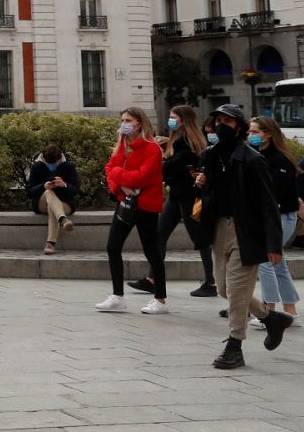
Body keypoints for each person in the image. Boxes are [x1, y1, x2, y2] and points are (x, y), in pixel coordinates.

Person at [197, 104, 290, 370]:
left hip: (246, 231)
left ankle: (234, 345)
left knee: (237, 289)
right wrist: (204, 185)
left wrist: (273, 244)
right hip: (219, 228)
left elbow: (268, 204)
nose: (220, 126)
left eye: (227, 121)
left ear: (238, 126)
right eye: (218, 121)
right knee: (225, 288)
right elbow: (212, 195)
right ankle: (271, 318)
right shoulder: (211, 155)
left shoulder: (252, 159)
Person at [131, 105, 216, 296]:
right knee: (160, 234)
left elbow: (174, 166)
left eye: (173, 117)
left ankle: (211, 282)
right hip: (177, 196)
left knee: (200, 238)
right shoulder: (180, 140)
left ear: (183, 120)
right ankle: (152, 279)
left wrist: (158, 161)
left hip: (189, 197)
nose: (170, 120)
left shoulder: (186, 142)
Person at [96, 107, 169, 315]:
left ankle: (161, 299)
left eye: (128, 120)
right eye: (122, 120)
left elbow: (142, 177)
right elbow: (109, 170)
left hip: (145, 206)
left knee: (151, 251)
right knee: (113, 246)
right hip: (125, 202)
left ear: (139, 123)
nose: (124, 124)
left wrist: (120, 175)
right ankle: (117, 296)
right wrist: (121, 185)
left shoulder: (151, 148)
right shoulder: (121, 145)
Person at [249, 117, 301, 325]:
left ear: (268, 133)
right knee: (278, 264)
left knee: (266, 261)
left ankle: (268, 312)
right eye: (250, 132)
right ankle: (290, 311)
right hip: (273, 216)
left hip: (281, 217)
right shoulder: (259, 156)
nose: (250, 136)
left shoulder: (279, 160)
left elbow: (275, 193)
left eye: (254, 132)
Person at [25, 144, 79, 255]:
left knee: (52, 208)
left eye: (54, 163)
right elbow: (29, 192)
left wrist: (64, 185)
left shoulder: (68, 166)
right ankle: (63, 220)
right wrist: (43, 187)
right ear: (44, 159)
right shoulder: (37, 166)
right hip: (42, 202)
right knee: (49, 192)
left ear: (59, 159)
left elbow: (76, 190)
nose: (52, 166)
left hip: (64, 203)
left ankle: (50, 244)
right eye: (49, 163)